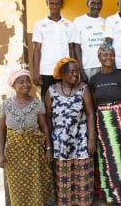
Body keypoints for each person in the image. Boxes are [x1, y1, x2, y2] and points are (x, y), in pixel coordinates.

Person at [0, 69, 55, 205]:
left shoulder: (37, 104)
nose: (26, 84)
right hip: (13, 153)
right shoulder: (5, 105)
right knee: (17, 188)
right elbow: (1, 130)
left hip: (34, 152)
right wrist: (0, 153)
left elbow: (45, 127)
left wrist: (48, 149)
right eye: (21, 82)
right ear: (13, 85)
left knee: (37, 186)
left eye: (28, 81)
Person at [45, 58, 96, 205]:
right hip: (61, 143)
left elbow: (90, 114)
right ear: (62, 73)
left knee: (83, 177)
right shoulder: (52, 91)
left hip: (80, 141)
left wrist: (91, 139)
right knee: (64, 180)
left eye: (77, 71)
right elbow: (48, 118)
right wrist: (49, 144)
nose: (75, 74)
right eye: (72, 71)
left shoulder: (83, 88)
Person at [90, 43, 121, 205]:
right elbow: (94, 107)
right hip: (102, 123)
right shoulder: (94, 79)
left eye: (111, 54)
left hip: (120, 120)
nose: (108, 57)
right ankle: (109, 196)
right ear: (99, 57)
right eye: (105, 55)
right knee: (105, 160)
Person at [32, 0, 75, 101]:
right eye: (52, 3)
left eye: (57, 3)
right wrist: (36, 72)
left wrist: (75, 70)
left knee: (65, 100)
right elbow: (37, 49)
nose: (54, 6)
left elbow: (71, 48)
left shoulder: (69, 25)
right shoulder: (39, 25)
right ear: (47, 3)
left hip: (65, 70)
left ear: (62, 4)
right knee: (47, 102)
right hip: (46, 70)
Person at [74, 0, 105, 82]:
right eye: (93, 3)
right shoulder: (78, 21)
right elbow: (76, 47)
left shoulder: (105, 21)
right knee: (87, 95)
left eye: (99, 3)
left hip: (103, 66)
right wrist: (81, 70)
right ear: (87, 3)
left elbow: (107, 44)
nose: (96, 6)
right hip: (87, 67)